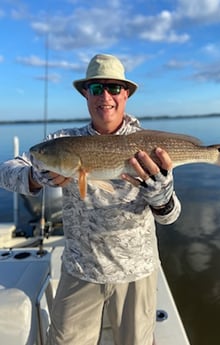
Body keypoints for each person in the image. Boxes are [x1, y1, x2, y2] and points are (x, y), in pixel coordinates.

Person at [0, 54, 181, 345]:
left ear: (126, 93)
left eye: (113, 88)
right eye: (96, 89)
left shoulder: (147, 144)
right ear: (86, 94)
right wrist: (36, 177)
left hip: (137, 271)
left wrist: (161, 196)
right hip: (80, 269)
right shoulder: (61, 140)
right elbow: (6, 171)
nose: (105, 96)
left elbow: (170, 216)